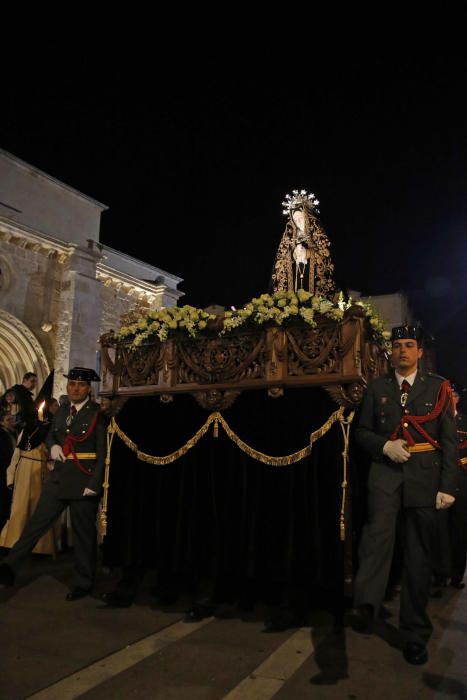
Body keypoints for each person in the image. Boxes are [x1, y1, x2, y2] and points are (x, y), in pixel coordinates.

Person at [346, 326, 458, 666]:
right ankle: (367, 605)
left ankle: (414, 633)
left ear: (420, 352)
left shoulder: (438, 387)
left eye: (409, 346)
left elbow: (449, 441)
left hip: (424, 479)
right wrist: (384, 446)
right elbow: (361, 432)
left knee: (417, 557)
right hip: (385, 475)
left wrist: (447, 486)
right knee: (375, 540)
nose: (402, 351)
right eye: (396, 346)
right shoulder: (377, 388)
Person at [0, 367, 106, 600]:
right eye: (72, 384)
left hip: (83, 480)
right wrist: (54, 445)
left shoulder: (97, 413)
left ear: (88, 388)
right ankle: (9, 568)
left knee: (83, 536)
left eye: (79, 385)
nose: (74, 388)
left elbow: (102, 452)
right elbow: (51, 434)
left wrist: (95, 483)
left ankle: (84, 581)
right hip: (59, 477)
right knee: (35, 523)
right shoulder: (63, 410)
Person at [0, 409, 16, 532]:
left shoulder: (13, 432)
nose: (12, 421)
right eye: (8, 420)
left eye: (12, 419)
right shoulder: (2, 434)